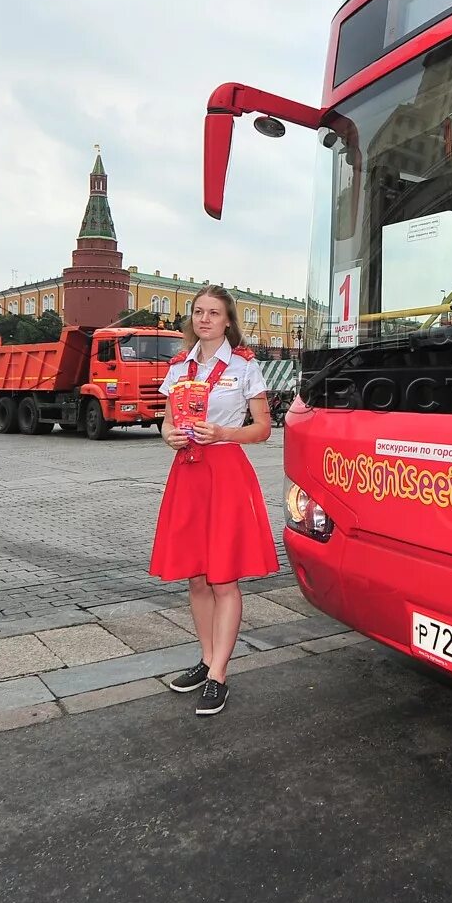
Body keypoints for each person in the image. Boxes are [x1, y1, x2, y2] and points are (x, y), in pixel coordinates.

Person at [150, 285, 278, 717]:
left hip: (224, 471)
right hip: (187, 472)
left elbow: (263, 428)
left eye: (214, 313)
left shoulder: (243, 366)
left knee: (224, 577)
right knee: (197, 577)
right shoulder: (179, 367)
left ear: (227, 321)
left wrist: (223, 432)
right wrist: (167, 435)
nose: (205, 319)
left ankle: (219, 675)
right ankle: (206, 660)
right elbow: (167, 422)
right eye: (199, 312)